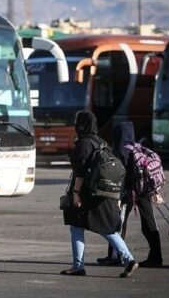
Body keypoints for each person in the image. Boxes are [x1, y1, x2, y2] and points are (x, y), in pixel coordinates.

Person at [61, 111, 138, 278]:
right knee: (106, 228)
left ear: (81, 125)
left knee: (76, 226)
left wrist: (75, 194)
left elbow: (80, 172)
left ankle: (78, 266)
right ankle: (129, 259)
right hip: (105, 191)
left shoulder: (83, 144)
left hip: (88, 193)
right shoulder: (102, 142)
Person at [97, 121, 163, 267]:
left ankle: (115, 256)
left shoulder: (121, 150)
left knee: (118, 224)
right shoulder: (137, 147)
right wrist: (155, 191)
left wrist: (118, 197)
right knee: (149, 224)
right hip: (143, 191)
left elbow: (120, 176)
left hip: (127, 193)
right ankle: (156, 256)